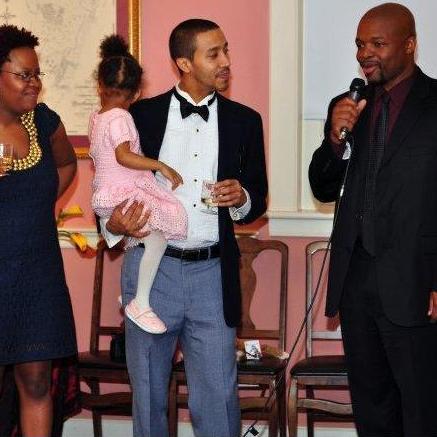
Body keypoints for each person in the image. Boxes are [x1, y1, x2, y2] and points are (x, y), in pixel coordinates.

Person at [101, 18, 268, 437]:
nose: (227, 61)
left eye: (226, 50)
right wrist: (112, 225)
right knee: (150, 399)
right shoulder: (139, 116)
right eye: (214, 54)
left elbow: (257, 201)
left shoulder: (245, 120)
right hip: (150, 275)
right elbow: (110, 177)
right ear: (184, 62)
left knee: (218, 400)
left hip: (213, 274)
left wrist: (241, 198)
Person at [309, 3, 437, 436]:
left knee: (422, 409)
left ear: (410, 45)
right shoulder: (348, 106)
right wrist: (333, 139)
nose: (366, 54)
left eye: (378, 44)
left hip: (418, 283)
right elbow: (323, 186)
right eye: (361, 45)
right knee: (372, 409)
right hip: (357, 283)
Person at [0, 25, 77, 437]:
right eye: (23, 75)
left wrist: (42, 203)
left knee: (35, 381)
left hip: (37, 272)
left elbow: (67, 165)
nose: (34, 84)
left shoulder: (45, 123)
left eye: (37, 74)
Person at [89, 34, 187, 334]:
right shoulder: (121, 117)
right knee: (159, 237)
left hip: (106, 192)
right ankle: (140, 301)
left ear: (100, 86)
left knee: (149, 238)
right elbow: (123, 156)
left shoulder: (97, 116)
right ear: (136, 93)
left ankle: (134, 296)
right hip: (125, 189)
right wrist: (159, 165)